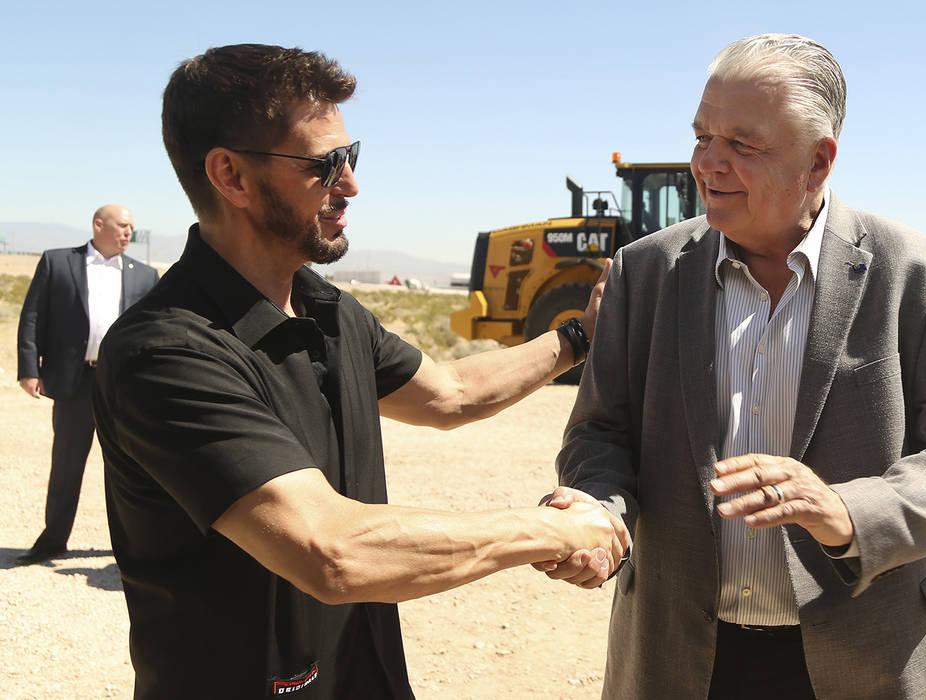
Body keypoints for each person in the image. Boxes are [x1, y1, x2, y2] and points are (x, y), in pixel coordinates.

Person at [92, 44, 628, 699]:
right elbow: (331, 551)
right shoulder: (166, 351)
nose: (349, 184)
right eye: (323, 165)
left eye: (351, 157)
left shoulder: (328, 310)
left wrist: (579, 337)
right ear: (230, 176)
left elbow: (452, 395)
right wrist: (549, 530)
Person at [545, 33, 926, 698]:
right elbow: (599, 436)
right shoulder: (642, 274)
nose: (708, 163)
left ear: (818, 162)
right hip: (683, 661)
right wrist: (599, 513)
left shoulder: (917, 275)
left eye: (742, 144)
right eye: (702, 136)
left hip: (867, 662)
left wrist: (847, 511)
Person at [15, 205, 159, 565]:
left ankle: (132, 548)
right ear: (99, 225)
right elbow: (32, 317)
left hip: (122, 385)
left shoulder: (145, 276)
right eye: (123, 226)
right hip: (72, 381)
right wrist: (29, 368)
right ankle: (51, 543)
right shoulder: (56, 262)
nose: (129, 233)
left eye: (132, 228)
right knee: (66, 465)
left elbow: (154, 330)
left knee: (127, 468)